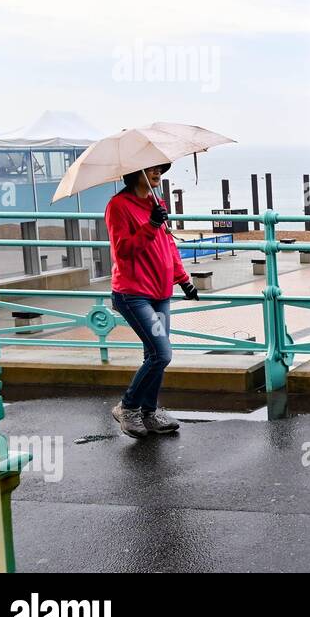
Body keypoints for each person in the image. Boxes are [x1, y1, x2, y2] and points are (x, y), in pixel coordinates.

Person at [105, 164, 199, 438]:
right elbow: (122, 251)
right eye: (152, 169)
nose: (158, 173)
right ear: (136, 173)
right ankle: (128, 407)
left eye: (160, 169)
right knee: (162, 353)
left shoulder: (156, 203)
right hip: (132, 293)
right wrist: (152, 225)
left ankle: (149, 412)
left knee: (154, 355)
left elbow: (167, 245)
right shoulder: (118, 206)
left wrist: (183, 280)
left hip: (160, 293)